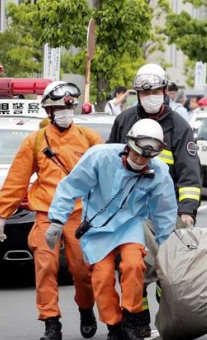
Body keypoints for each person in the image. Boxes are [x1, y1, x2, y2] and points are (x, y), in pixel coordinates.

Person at [0, 81, 103, 340]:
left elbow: (105, 176)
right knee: (45, 267)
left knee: (82, 270)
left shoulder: (90, 139)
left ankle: (86, 308)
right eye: (58, 108)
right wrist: (2, 213)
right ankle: (51, 322)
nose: (65, 112)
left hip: (79, 214)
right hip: (45, 213)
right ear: (48, 112)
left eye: (69, 107)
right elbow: (17, 179)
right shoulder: (34, 141)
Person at [46, 119, 177, 340]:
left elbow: (164, 211)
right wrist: (57, 220)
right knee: (102, 277)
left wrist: (166, 246)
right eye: (136, 154)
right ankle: (114, 326)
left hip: (130, 225)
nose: (139, 160)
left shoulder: (158, 172)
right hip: (97, 226)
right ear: (128, 144)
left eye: (146, 157)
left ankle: (130, 317)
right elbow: (70, 187)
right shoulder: (100, 157)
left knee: (134, 265)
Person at [107, 63, 201, 336]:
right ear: (137, 93)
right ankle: (138, 319)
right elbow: (110, 162)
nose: (150, 96)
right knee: (131, 266)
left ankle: (167, 310)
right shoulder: (124, 121)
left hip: (165, 212)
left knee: (166, 269)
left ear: (164, 91)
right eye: (144, 92)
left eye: (156, 90)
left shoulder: (179, 126)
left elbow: (189, 173)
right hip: (129, 210)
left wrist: (187, 210)